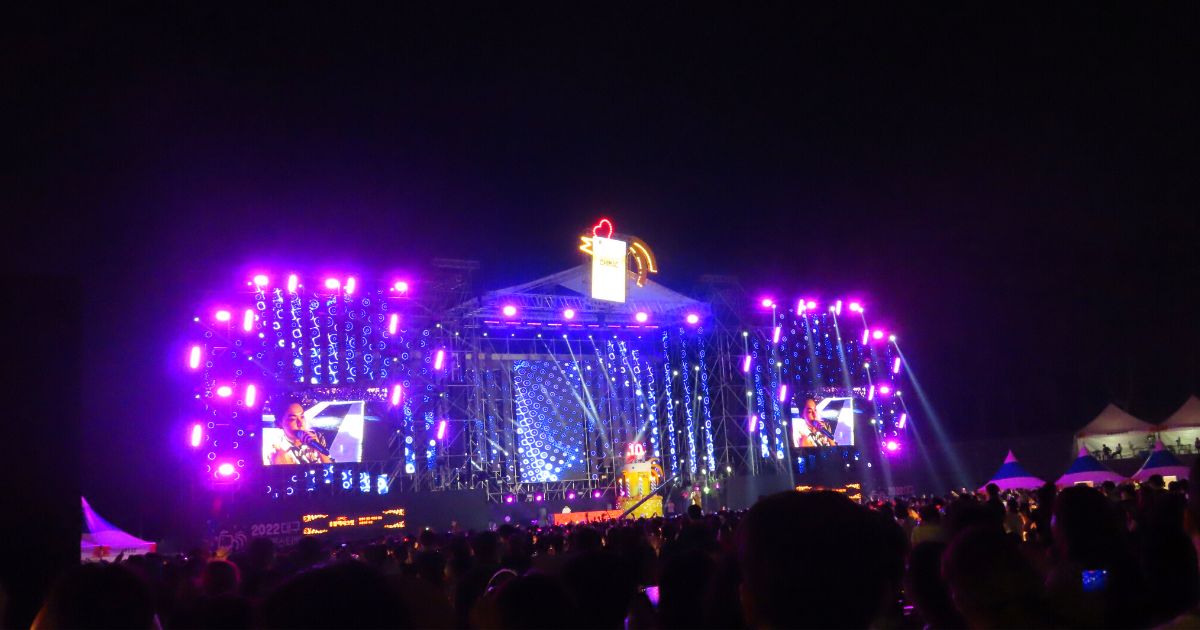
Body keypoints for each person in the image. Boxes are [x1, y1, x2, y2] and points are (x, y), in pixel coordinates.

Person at [269, 403, 333, 465]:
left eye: (302, 417)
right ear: (278, 424)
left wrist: (320, 450)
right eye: (292, 419)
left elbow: (331, 466)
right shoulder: (277, 451)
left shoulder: (316, 437)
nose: (301, 423)